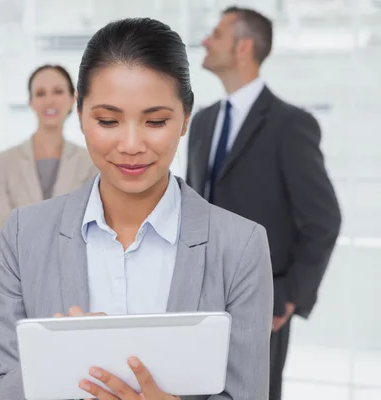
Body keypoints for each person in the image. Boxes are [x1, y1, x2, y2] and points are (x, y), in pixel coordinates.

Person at [0, 17, 273, 400]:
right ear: (79, 112)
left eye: (156, 121)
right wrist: (60, 363)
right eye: (108, 120)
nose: (131, 145)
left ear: (185, 117)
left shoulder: (240, 246)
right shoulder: (23, 235)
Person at [185, 6, 342, 400]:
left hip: (261, 302)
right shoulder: (202, 122)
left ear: (243, 47)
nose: (205, 41)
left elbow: (324, 220)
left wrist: (288, 295)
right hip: (199, 302)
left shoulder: (289, 124)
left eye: (216, 34)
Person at [0, 64, 97, 232]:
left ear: (72, 100)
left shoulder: (90, 162)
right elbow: (1, 228)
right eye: (40, 93)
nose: (49, 100)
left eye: (58, 91)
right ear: (31, 102)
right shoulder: (4, 162)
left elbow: (91, 226)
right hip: (21, 258)